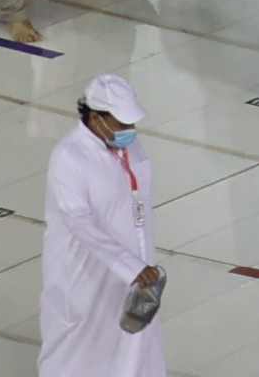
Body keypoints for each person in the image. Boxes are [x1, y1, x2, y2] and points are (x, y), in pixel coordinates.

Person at [40, 79, 168, 377]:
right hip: (84, 276)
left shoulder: (130, 146)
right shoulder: (70, 156)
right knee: (79, 354)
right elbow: (79, 221)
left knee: (135, 351)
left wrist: (139, 266)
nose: (129, 130)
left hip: (132, 275)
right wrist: (130, 265)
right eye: (122, 123)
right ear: (96, 117)